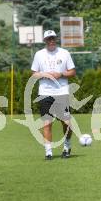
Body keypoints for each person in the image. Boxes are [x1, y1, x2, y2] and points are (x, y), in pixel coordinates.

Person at [31, 30, 76, 160]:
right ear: (45, 41)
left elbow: (72, 72)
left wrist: (60, 74)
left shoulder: (64, 53)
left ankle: (67, 146)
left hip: (61, 92)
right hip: (45, 92)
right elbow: (33, 74)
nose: (51, 41)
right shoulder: (39, 54)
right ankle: (48, 152)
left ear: (56, 39)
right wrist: (45, 75)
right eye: (48, 39)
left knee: (66, 122)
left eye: (53, 38)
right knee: (47, 123)